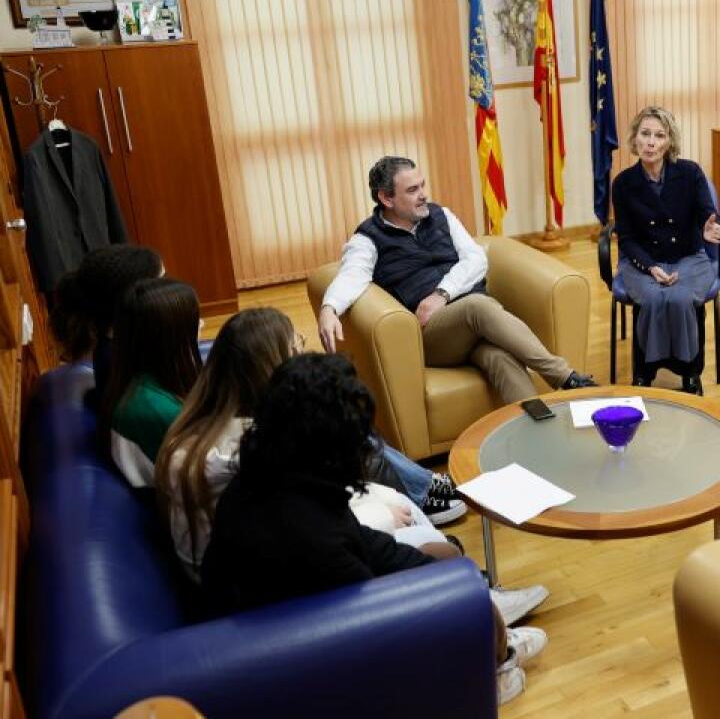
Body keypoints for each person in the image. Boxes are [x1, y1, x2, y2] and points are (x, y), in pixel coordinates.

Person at [202, 353, 547, 705]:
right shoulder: (308, 533)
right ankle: (494, 667)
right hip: (302, 644)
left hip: (311, 605)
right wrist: (457, 592)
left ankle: (486, 626)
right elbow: (373, 618)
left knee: (449, 558)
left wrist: (433, 565)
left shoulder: (276, 475)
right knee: (463, 587)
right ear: (330, 443)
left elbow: (358, 539)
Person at [156, 308, 474, 575]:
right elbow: (306, 530)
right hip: (284, 579)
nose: (304, 355)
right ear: (275, 370)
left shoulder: (203, 429)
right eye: (297, 347)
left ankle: (430, 494)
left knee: (393, 491)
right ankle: (433, 500)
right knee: (416, 521)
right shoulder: (251, 451)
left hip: (272, 562)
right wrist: (382, 514)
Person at [317, 156, 595, 402]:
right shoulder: (368, 239)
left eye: (422, 185)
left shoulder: (441, 215)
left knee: (501, 358)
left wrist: (441, 294)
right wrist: (330, 308)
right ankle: (564, 376)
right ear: (386, 199)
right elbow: (351, 276)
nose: (423, 195)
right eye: (412, 190)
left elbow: (476, 259)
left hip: (474, 325)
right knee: (478, 306)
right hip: (433, 336)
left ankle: (536, 439)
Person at [611, 106, 720, 393]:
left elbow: (706, 213)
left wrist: (708, 228)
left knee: (679, 297)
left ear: (669, 142)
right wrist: (650, 266)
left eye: (659, 135)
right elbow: (625, 238)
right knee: (651, 297)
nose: (651, 142)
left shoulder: (689, 173)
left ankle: (690, 373)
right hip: (643, 261)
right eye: (645, 134)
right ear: (634, 139)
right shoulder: (623, 184)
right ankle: (644, 372)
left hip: (688, 257)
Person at [105, 277, 202, 488]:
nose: (200, 327)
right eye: (195, 323)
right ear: (170, 337)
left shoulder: (141, 375)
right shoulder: (152, 408)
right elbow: (202, 474)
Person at [49, 243, 163, 399]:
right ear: (131, 301)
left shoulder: (123, 343)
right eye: (162, 284)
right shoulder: (119, 362)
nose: (171, 290)